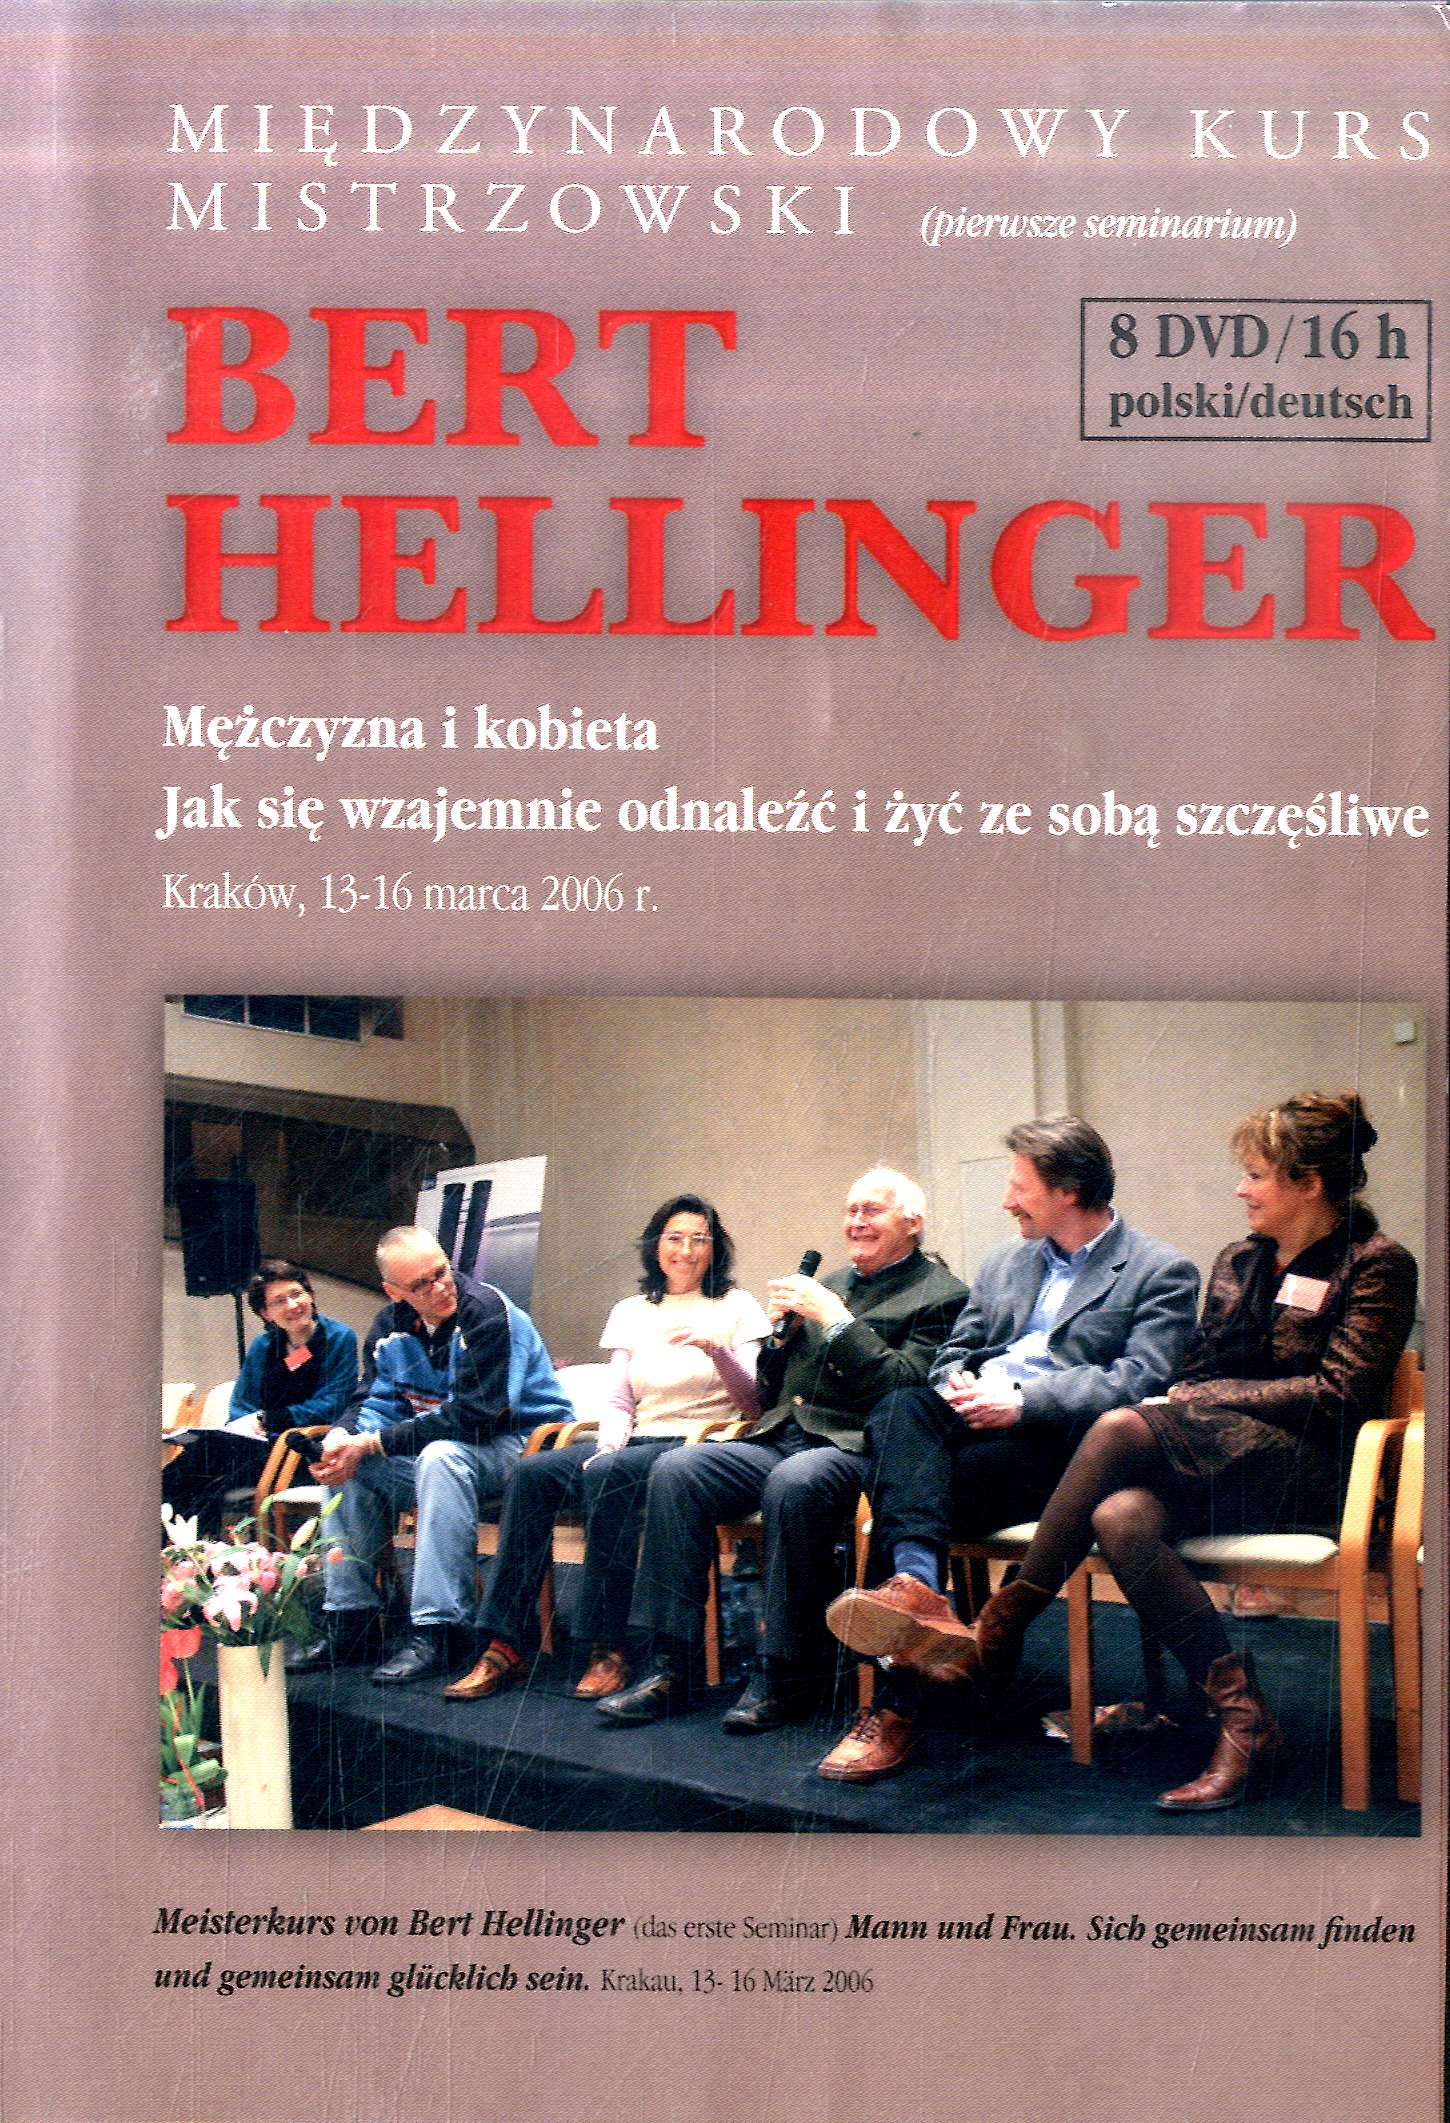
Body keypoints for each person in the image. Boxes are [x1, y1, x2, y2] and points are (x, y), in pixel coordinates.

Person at [839, 1091, 1418, 1813]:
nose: (1241, 1189)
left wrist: (1205, 1396)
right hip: (1218, 1453)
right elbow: (1197, 1370)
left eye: (1255, 1175)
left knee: (1118, 1426)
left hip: (1317, 1467)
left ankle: (998, 1630)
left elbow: (1339, 1395)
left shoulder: (1378, 1263)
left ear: (1309, 1183)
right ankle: (1245, 1719)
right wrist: (1201, 1394)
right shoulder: (1242, 1260)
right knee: (1118, 1517)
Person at [819, 1116, 1199, 1782]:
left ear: (1068, 1190)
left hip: (1065, 1450)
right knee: (900, 1409)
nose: (1006, 1201)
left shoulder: (1160, 1270)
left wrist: (1024, 1400)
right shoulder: (1004, 1262)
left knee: (905, 1487)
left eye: (1019, 1187)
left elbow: (1140, 1379)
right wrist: (959, 1382)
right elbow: (954, 1351)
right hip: (973, 1422)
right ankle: (918, 1590)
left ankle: (897, 1707)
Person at [597, 1169, 969, 1730]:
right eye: (850, 1210)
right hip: (782, 1434)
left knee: (795, 1482)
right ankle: (673, 1667)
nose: (856, 1222)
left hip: (856, 1444)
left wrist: (835, 1320)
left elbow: (907, 1387)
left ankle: (785, 1675)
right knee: (677, 1470)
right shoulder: (831, 1282)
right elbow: (773, 1392)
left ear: (913, 1223)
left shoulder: (942, 1295)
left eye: (871, 1210)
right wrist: (777, 1343)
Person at [444, 1195, 771, 1702]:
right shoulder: (631, 1311)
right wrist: (610, 1443)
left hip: (698, 1446)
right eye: (674, 1238)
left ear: (715, 1249)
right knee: (533, 1474)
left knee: (608, 1474)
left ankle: (608, 1645)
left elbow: (754, 1403)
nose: (686, 1250)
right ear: (656, 1246)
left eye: (699, 1239)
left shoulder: (737, 1306)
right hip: (634, 1441)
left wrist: (716, 1350)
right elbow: (619, 1401)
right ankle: (504, 1643)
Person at [291, 1226, 572, 1689]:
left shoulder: (487, 1312)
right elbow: (374, 1400)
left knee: (440, 1457)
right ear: (394, 1292)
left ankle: (439, 1629)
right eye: (420, 1285)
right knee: (349, 1469)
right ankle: (352, 1619)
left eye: (441, 1273)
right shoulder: (389, 1327)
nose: (440, 1288)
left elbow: (476, 1416)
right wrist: (345, 1437)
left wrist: (372, 1443)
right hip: (449, 1450)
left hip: (522, 1446)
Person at [163, 1259, 357, 1536]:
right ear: (266, 1313)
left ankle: (191, 1549)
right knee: (189, 1467)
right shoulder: (263, 1346)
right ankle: (168, 1548)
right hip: (258, 1445)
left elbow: (334, 1402)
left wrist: (270, 1419)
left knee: (211, 1475)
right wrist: (248, 1424)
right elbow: (242, 1403)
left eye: (297, 1294)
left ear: (311, 1295)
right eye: (279, 1301)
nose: (292, 1305)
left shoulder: (338, 1337)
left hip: (303, 1448)